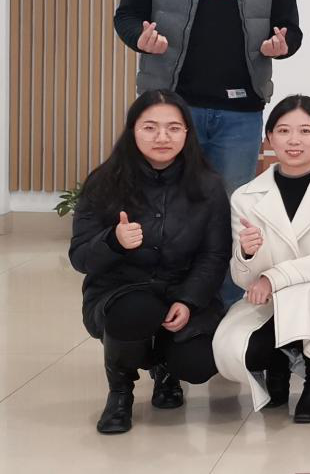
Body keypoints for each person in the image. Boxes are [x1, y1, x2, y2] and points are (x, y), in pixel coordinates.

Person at [114, 0, 302, 307]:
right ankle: (162, 303)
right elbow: (127, 15)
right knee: (162, 207)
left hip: (240, 111)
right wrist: (141, 39)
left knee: (232, 212)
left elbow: (290, 29)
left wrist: (281, 45)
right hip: (172, 106)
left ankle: (225, 311)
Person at [69, 90, 229, 434]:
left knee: (199, 363)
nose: (162, 137)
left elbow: (215, 255)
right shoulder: (104, 181)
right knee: (135, 310)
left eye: (173, 128)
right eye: (150, 127)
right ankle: (120, 391)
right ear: (133, 131)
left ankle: (166, 370)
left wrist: (188, 300)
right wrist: (113, 241)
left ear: (187, 133)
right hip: (121, 292)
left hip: (183, 291)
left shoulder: (209, 186)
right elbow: (80, 256)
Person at [212, 96, 310, 423]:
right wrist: (247, 254)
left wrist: (275, 277)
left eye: (305, 131)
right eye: (283, 131)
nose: (294, 140)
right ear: (269, 137)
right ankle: (278, 365)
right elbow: (244, 280)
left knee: (309, 295)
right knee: (236, 349)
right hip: (269, 303)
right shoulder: (246, 196)